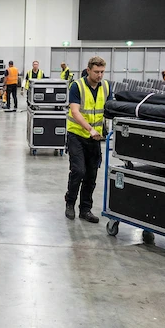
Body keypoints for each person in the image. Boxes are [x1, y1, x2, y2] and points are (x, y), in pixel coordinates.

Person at [65, 56, 111, 223]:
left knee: (91, 174)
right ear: (88, 70)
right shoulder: (77, 86)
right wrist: (90, 129)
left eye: (102, 72)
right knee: (78, 171)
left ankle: (85, 209)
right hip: (77, 135)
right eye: (96, 72)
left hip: (95, 138)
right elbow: (75, 111)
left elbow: (110, 109)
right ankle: (70, 203)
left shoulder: (106, 86)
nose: (100, 75)